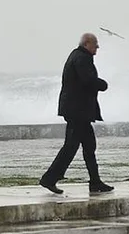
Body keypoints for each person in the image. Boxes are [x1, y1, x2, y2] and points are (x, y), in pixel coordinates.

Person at [39, 32, 114, 195]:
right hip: (77, 111)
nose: (98, 47)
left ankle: (95, 182)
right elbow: (87, 80)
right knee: (71, 147)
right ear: (87, 44)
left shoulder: (78, 55)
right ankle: (49, 178)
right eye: (95, 44)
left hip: (78, 111)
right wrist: (103, 84)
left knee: (88, 147)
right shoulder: (82, 58)